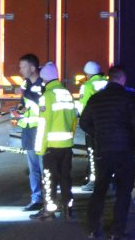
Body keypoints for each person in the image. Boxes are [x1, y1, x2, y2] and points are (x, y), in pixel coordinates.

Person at [80, 65, 135, 240]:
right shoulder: (128, 98)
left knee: (99, 189)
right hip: (124, 149)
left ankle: (92, 228)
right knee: (124, 190)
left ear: (109, 78)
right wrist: (132, 139)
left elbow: (84, 123)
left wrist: (98, 135)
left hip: (103, 149)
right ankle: (117, 230)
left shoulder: (95, 99)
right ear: (122, 79)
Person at [32, 62, 78, 221]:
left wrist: (40, 148)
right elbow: (74, 120)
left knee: (49, 179)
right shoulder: (67, 93)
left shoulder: (47, 96)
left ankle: (49, 211)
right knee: (66, 178)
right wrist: (70, 138)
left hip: (51, 146)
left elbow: (44, 124)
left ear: (44, 79)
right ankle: (68, 209)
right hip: (66, 145)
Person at [15, 53, 46, 212]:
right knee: (33, 169)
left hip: (40, 131)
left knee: (43, 168)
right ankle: (36, 199)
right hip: (28, 131)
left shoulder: (44, 84)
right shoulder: (25, 85)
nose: (20, 70)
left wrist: (24, 94)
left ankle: (49, 200)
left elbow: (39, 101)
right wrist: (19, 110)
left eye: (23, 67)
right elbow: (23, 104)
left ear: (33, 68)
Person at [76, 60, 108, 192]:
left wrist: (82, 120)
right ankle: (108, 180)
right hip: (107, 124)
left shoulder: (87, 86)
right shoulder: (107, 83)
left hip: (93, 125)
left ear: (88, 74)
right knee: (106, 153)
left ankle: (94, 181)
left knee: (92, 153)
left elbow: (83, 106)